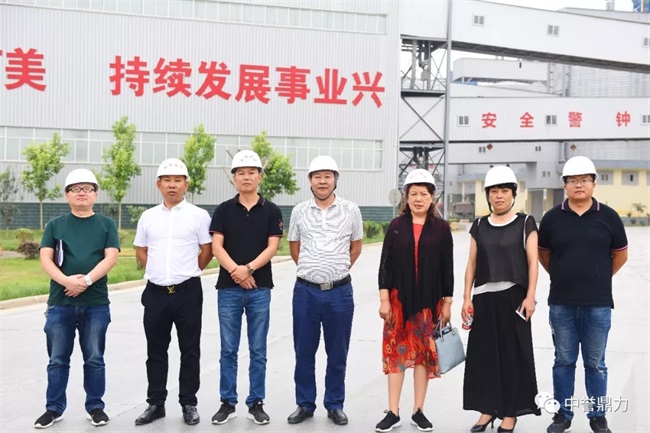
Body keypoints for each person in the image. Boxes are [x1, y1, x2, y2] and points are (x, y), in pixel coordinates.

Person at [539, 156, 628, 433]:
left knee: (595, 364)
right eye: (573, 180)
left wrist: (599, 277)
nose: (579, 185)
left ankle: (598, 416)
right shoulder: (552, 218)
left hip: (597, 304)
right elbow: (544, 255)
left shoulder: (609, 216)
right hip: (561, 303)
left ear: (593, 183)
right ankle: (562, 416)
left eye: (584, 180)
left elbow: (621, 255)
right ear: (565, 185)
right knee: (563, 362)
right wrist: (562, 274)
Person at [35, 169, 120, 429]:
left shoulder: (106, 224)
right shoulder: (55, 225)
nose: (81, 193)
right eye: (75, 189)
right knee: (57, 359)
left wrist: (86, 282)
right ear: (67, 195)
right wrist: (67, 282)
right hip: (60, 303)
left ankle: (95, 407)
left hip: (95, 302)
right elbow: (46, 259)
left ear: (95, 194)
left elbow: (111, 257)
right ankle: (53, 408)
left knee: (94, 358)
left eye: (87, 188)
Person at [133, 158, 213, 426]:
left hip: (187, 292)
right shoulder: (148, 217)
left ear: (186, 184)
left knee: (189, 349)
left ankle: (188, 402)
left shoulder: (199, 216)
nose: (172, 185)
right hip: (155, 292)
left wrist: (191, 269)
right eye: (167, 180)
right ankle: (156, 403)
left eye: (178, 180)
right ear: (158, 184)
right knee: (156, 350)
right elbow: (141, 249)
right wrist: (156, 270)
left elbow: (207, 249)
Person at [461, 166, 541, 433]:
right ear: (487, 195)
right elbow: (472, 263)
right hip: (484, 299)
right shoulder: (479, 225)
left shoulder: (525, 223)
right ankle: (487, 410)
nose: (499, 196)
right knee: (484, 357)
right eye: (494, 191)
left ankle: (509, 413)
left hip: (513, 299)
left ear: (513, 194)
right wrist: (466, 297)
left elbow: (532, 262)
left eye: (504, 191)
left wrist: (530, 297)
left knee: (512, 357)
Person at [374, 169, 454, 433]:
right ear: (406, 198)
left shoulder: (441, 229)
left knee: (422, 357)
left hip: (428, 303)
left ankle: (418, 410)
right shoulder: (396, 226)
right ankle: (393, 412)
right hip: (398, 302)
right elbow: (385, 265)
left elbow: (447, 268)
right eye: (413, 194)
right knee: (396, 355)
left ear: (432, 198)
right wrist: (384, 299)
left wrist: (447, 303)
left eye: (424, 194)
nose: (418, 199)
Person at [286, 155, 363, 426]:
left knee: (337, 352)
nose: (322, 181)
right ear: (310, 180)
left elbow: (356, 247)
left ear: (335, 179)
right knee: (304, 351)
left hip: (339, 293)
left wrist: (335, 269)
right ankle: (305, 404)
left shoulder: (351, 210)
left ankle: (334, 404)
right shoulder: (299, 211)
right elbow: (294, 247)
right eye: (317, 176)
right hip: (306, 292)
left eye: (327, 176)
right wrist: (313, 270)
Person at [209, 149, 283, 426]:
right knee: (228, 349)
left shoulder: (271, 210)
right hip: (228, 289)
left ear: (260, 176)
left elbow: (272, 247)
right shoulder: (223, 210)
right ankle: (227, 402)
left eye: (252, 172)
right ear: (234, 178)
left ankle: (256, 402)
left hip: (259, 288)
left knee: (258, 349)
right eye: (240, 173)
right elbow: (217, 247)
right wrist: (237, 272)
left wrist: (249, 269)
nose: (246, 177)